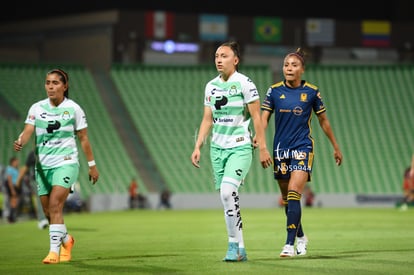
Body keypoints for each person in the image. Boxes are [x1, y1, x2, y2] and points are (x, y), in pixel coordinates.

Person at [191, 41, 272, 262]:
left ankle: (232, 245)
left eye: (224, 56)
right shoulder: (210, 86)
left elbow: (257, 117)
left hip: (240, 146)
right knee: (229, 198)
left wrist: (263, 147)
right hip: (217, 148)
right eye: (217, 55)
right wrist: (198, 145)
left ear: (235, 60)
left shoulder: (245, 83)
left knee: (228, 193)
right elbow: (208, 119)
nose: (219, 59)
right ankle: (242, 249)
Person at [261, 48, 343, 257]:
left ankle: (288, 244)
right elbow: (263, 118)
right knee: (287, 201)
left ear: (302, 70)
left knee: (294, 192)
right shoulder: (273, 91)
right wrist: (259, 140)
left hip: (302, 147)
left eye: (294, 65)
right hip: (280, 149)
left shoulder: (312, 92)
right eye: (286, 64)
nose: (289, 68)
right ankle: (300, 236)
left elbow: (323, 121)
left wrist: (335, 146)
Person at [13, 68, 99, 264]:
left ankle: (53, 253)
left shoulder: (74, 109)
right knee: (48, 212)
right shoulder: (36, 108)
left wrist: (92, 166)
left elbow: (84, 138)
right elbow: (28, 130)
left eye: (55, 83)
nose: (50, 87)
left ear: (65, 86)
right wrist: (21, 140)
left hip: (66, 162)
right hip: (43, 166)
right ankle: (67, 240)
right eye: (48, 83)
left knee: (55, 205)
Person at [16, 149, 49, 229]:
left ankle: (45, 219)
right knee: (43, 198)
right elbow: (26, 167)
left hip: (42, 179)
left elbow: (26, 168)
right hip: (41, 179)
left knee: (43, 199)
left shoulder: (39, 152)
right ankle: (45, 219)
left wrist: (18, 180)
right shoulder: (43, 151)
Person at [3, 156, 20, 223]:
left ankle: (12, 217)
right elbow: (9, 180)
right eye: (16, 161)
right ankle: (11, 218)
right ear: (12, 162)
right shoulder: (9, 169)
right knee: (13, 202)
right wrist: (12, 190)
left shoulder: (15, 169)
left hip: (15, 186)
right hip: (12, 186)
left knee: (15, 202)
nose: (17, 163)